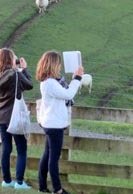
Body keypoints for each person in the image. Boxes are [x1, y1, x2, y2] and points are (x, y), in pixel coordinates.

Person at [0, 48, 34, 190]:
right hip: (15, 116)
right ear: (11, 59)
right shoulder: (15, 75)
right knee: (21, 149)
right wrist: (24, 69)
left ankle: (6, 180)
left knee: (6, 148)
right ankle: (19, 182)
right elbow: (29, 85)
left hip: (1, 115)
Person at [36, 50, 84, 194]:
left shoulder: (48, 82)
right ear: (52, 65)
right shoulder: (50, 83)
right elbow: (68, 94)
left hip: (50, 123)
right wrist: (77, 78)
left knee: (47, 155)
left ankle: (42, 186)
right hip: (54, 125)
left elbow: (64, 92)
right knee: (53, 157)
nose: (60, 66)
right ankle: (57, 189)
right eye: (58, 64)